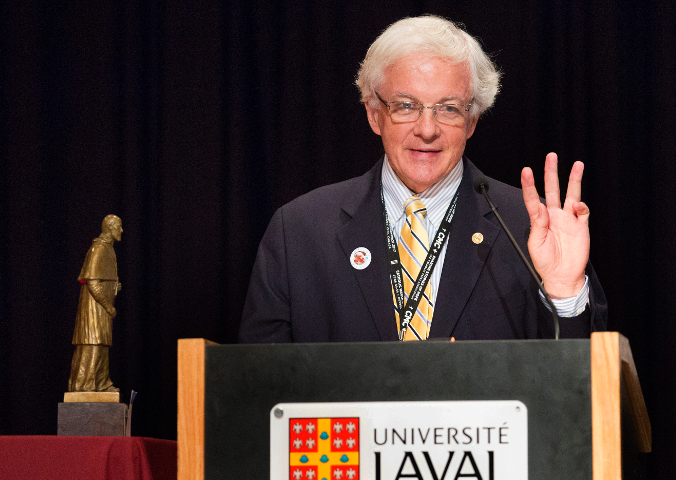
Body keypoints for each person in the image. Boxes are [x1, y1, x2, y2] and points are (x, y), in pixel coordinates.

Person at [238, 15, 606, 343]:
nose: (427, 130)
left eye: (448, 108)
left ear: (472, 120)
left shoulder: (528, 228)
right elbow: (257, 391)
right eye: (406, 106)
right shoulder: (299, 232)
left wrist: (563, 294)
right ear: (373, 114)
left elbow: (583, 396)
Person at [68, 214, 123, 392]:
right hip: (95, 308)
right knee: (93, 343)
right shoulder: (99, 248)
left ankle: (101, 383)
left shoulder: (109, 249)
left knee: (101, 345)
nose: (121, 230)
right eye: (119, 226)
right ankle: (85, 386)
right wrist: (108, 307)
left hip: (102, 306)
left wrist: (113, 286)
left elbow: (102, 279)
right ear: (109, 228)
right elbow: (92, 282)